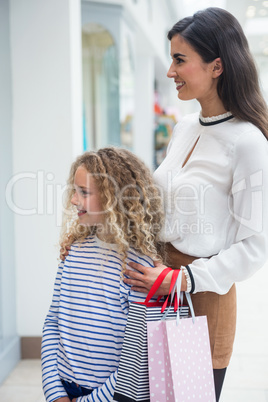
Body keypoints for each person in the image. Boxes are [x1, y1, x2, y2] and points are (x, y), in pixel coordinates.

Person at [123, 7, 268, 401]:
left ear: (217, 65)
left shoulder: (249, 142)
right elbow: (158, 208)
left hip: (200, 298)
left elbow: (256, 247)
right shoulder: (185, 128)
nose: (170, 71)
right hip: (155, 291)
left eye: (179, 60)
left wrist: (181, 280)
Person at [41, 147, 163, 402]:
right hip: (64, 387)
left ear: (114, 198)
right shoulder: (73, 251)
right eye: (75, 191)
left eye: (84, 193)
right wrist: (54, 392)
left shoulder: (139, 267)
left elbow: (138, 353)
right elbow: (54, 321)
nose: (74, 200)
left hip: (112, 396)